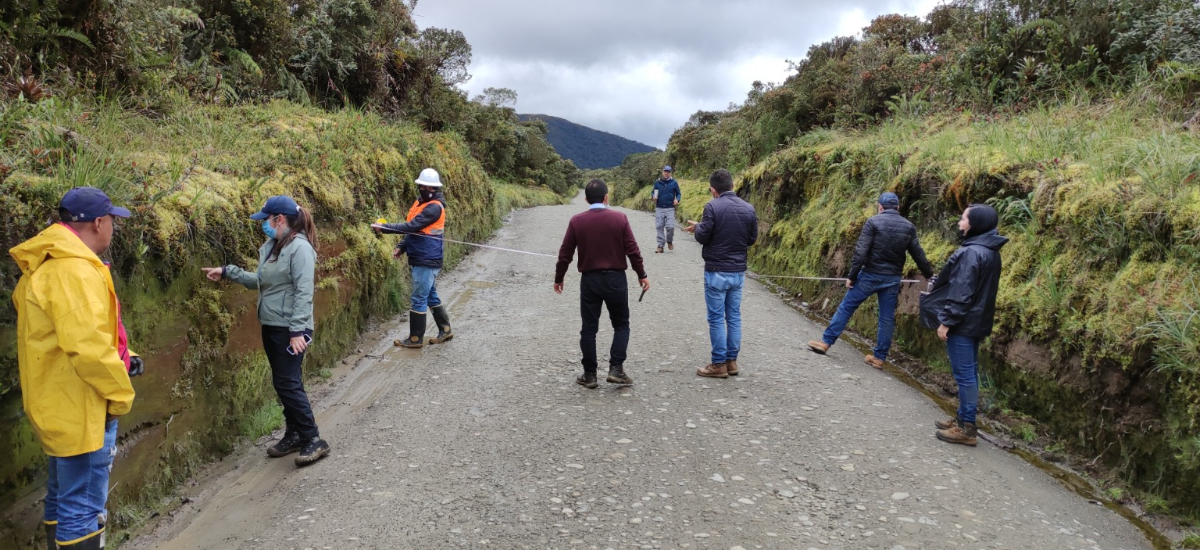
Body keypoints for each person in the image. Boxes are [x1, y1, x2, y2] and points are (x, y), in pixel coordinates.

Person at [11, 187, 137, 550]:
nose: (113, 228)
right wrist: (119, 396)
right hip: (82, 407)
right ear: (98, 223)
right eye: (112, 221)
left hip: (57, 401)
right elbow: (87, 347)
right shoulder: (74, 271)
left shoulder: (47, 264)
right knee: (82, 510)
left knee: (62, 497)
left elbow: (70, 332)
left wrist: (126, 356)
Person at [201, 196, 330, 466]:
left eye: (266, 220)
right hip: (273, 325)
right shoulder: (275, 247)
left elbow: (304, 291)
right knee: (284, 382)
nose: (264, 225)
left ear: (279, 219)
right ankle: (294, 434)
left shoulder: (300, 249)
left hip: (290, 329)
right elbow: (261, 281)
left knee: (288, 384)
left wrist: (297, 331)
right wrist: (228, 272)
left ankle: (313, 438)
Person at [808, 192, 935, 368]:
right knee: (886, 318)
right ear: (898, 207)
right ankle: (879, 358)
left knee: (846, 307)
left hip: (869, 275)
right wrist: (929, 274)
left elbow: (861, 252)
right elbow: (918, 254)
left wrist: (852, 276)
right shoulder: (908, 227)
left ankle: (825, 342)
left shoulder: (873, 222)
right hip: (892, 279)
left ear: (880, 207)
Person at [555, 179, 650, 388]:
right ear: (606, 197)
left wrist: (559, 278)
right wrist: (641, 274)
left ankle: (589, 374)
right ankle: (616, 369)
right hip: (616, 279)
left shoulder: (577, 221)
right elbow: (632, 250)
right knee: (621, 324)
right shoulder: (620, 218)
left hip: (590, 281)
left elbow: (565, 254)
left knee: (589, 328)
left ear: (586, 199)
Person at [931, 204, 1006, 446]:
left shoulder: (971, 252)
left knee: (965, 376)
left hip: (963, 322)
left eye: (964, 219)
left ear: (975, 224)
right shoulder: (990, 251)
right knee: (969, 373)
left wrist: (946, 321)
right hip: (977, 320)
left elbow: (961, 292)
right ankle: (963, 418)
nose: (960, 223)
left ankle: (966, 428)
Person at [684, 169, 758, 379]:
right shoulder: (749, 208)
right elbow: (751, 239)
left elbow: (703, 236)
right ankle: (731, 361)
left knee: (716, 318)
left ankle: (718, 364)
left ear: (713, 190)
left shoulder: (712, 207)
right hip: (738, 272)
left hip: (716, 270)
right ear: (733, 186)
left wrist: (698, 228)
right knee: (734, 316)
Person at [371, 168, 454, 348]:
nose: (426, 189)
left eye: (430, 187)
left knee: (418, 298)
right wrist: (402, 247)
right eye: (423, 186)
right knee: (430, 296)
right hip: (422, 257)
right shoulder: (420, 203)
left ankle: (415, 339)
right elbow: (413, 230)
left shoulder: (434, 208)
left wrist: (384, 228)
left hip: (427, 259)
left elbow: (412, 226)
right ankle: (445, 330)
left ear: (435, 188)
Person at [651, 165, 681, 253]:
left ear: (670, 173)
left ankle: (669, 241)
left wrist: (677, 200)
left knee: (670, 227)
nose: (666, 173)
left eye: (668, 172)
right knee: (659, 226)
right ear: (662, 172)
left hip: (670, 208)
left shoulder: (674, 183)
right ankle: (660, 246)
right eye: (665, 171)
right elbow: (653, 192)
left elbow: (678, 193)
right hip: (659, 208)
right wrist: (653, 197)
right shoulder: (657, 182)